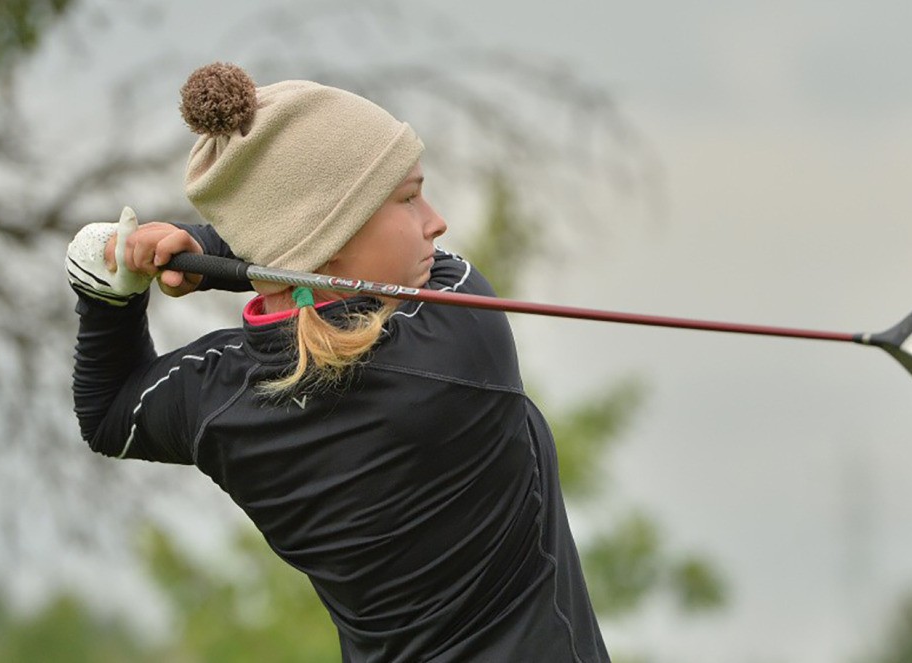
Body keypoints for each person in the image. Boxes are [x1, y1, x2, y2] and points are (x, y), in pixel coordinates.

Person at [66, 62, 610, 662]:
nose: (435, 222)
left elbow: (108, 413)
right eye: (408, 199)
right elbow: (428, 270)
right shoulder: (457, 337)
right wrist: (212, 251)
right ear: (332, 237)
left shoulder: (219, 399)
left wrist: (110, 291)